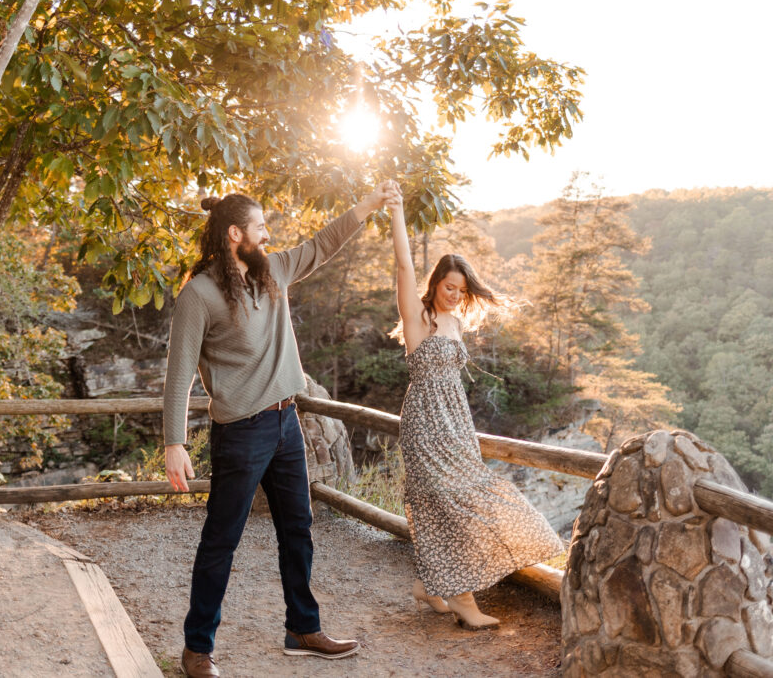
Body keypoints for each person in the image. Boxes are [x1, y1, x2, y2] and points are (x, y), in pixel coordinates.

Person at [163, 182, 399, 677]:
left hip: (286, 422)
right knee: (220, 541)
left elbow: (323, 243)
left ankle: (302, 628)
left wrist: (370, 204)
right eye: (261, 228)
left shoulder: (273, 271)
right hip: (241, 433)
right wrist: (174, 442)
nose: (268, 236)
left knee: (298, 529)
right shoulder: (198, 295)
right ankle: (196, 649)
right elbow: (179, 373)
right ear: (234, 234)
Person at [386, 190, 565, 630]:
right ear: (435, 284)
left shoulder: (456, 321)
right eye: (449, 287)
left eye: (461, 291)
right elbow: (404, 266)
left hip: (456, 424)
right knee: (445, 503)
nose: (454, 296)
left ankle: (431, 586)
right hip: (425, 424)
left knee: (472, 496)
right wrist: (397, 211)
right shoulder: (418, 316)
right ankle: (462, 600)